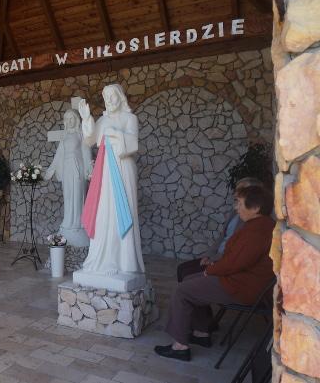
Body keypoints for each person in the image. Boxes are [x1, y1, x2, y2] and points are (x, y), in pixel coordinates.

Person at [154, 185, 275, 361]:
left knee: (183, 290)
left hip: (242, 286)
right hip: (241, 281)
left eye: (240, 204)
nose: (236, 208)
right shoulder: (260, 226)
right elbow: (236, 259)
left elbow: (235, 262)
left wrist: (210, 270)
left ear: (256, 208)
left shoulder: (257, 231)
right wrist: (213, 267)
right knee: (189, 280)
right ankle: (201, 332)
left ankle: (180, 346)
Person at [76, 84, 145, 276]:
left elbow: (133, 144)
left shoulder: (130, 119)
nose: (109, 100)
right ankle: (103, 259)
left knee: (123, 210)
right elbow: (89, 140)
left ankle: (126, 262)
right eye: (105, 97)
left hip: (123, 169)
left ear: (120, 97)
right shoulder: (103, 120)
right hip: (105, 170)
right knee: (104, 211)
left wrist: (115, 134)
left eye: (112, 96)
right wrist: (86, 119)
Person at [177, 177, 265, 282]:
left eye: (241, 190)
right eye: (237, 189)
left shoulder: (250, 221)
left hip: (221, 261)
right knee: (181, 269)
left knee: (187, 275)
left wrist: (213, 261)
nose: (236, 193)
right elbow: (222, 237)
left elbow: (234, 253)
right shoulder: (235, 212)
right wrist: (208, 255)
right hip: (215, 257)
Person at [44, 108, 92, 246]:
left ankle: (78, 223)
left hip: (77, 169)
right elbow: (58, 156)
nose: (70, 121)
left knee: (77, 195)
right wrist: (49, 171)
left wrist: (89, 169)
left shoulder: (80, 134)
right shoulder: (64, 137)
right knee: (68, 196)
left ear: (76, 120)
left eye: (72, 118)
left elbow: (86, 152)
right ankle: (68, 221)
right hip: (67, 169)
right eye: (67, 119)